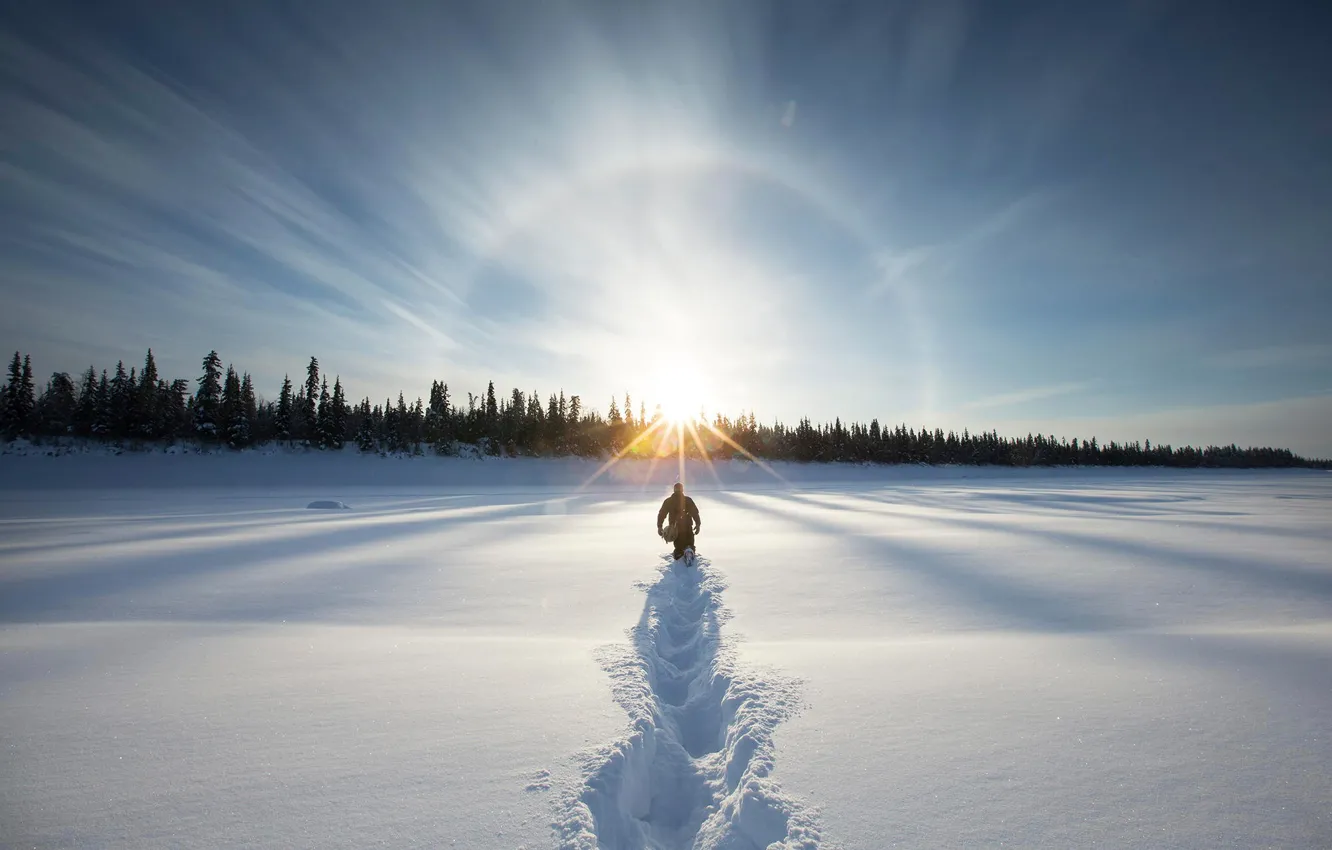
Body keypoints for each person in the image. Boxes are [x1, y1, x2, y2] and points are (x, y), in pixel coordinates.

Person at [657, 482, 701, 562]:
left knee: (679, 547)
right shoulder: (688, 500)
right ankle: (689, 552)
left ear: (674, 490)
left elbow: (662, 514)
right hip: (687, 526)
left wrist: (659, 526)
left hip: (675, 528)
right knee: (690, 543)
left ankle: (679, 556)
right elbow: (695, 513)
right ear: (682, 490)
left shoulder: (668, 501)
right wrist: (698, 524)